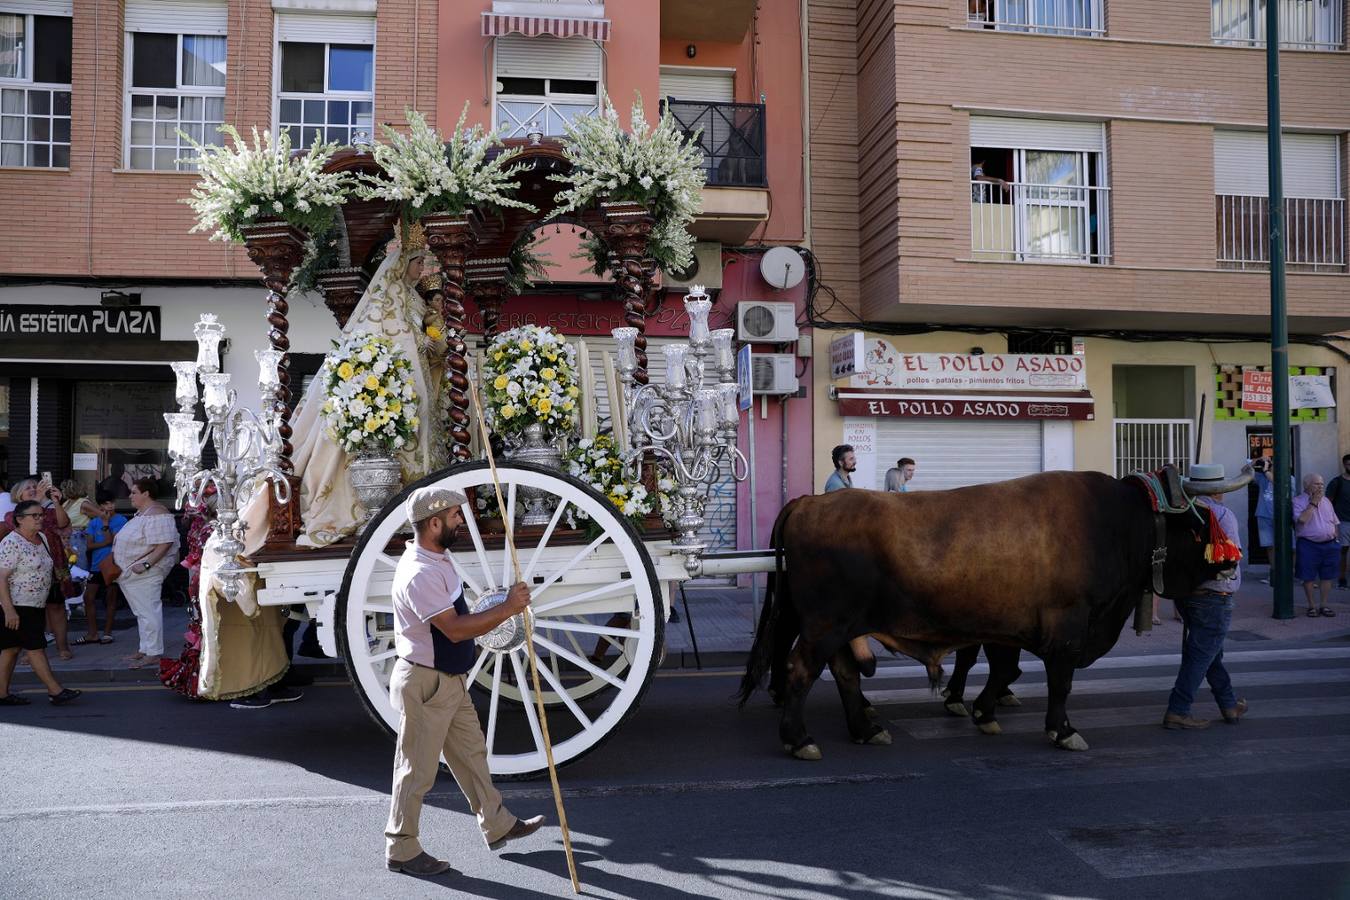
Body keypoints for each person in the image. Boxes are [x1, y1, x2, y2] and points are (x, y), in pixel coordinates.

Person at [384, 487, 544, 877]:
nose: (461, 521)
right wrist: (507, 608)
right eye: (455, 515)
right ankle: (401, 848)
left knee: (472, 755)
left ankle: (498, 823)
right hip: (427, 683)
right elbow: (454, 631)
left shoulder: (436, 557)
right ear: (433, 522)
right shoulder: (419, 572)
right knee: (416, 770)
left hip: (447, 681)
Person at [1162, 465, 1247, 730]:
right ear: (1220, 490)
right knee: (1200, 656)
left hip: (1186, 593)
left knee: (1210, 653)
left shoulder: (1178, 513)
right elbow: (1232, 558)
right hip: (1215, 595)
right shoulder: (1222, 514)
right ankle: (1178, 710)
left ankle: (1228, 704)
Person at [0, 500, 81, 706]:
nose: (40, 519)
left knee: (11, 648)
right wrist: (9, 610)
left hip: (36, 604)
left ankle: (1, 694)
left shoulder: (42, 538)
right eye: (34, 516)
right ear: (20, 520)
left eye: (41, 515)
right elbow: (1, 578)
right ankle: (55, 690)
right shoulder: (11, 542)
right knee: (35, 646)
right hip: (18, 605)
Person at [1, 475, 73, 660]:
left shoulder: (47, 511)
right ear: (18, 495)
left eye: (35, 486)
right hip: (27, 571)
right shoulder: (12, 516)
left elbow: (63, 523)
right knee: (33, 611)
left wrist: (55, 502)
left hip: (54, 562)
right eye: (28, 488)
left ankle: (62, 647)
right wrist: (36, 503)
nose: (34, 489)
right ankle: (31, 649)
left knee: (57, 606)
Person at [112, 477, 179, 669]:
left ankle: (154, 652)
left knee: (148, 612)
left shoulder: (157, 513)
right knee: (142, 612)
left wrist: (147, 565)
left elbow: (165, 543)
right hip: (133, 573)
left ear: (146, 494)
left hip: (145, 573)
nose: (130, 496)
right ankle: (145, 649)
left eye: (134, 492)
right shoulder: (143, 513)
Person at [77, 493, 126, 646]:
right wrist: (105, 540)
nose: (109, 506)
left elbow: (114, 540)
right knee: (88, 597)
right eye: (106, 504)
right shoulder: (94, 522)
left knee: (111, 598)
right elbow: (90, 545)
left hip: (112, 563)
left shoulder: (121, 520)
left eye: (111, 503)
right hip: (96, 565)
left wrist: (106, 526)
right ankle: (92, 633)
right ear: (100, 506)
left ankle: (107, 633)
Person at [1293, 473, 1339, 617]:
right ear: (1307, 485)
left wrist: (1335, 538)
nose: (1320, 487)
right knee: (1308, 577)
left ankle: (1324, 605)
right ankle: (1312, 606)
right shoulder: (1298, 501)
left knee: (1327, 576)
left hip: (1330, 544)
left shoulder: (1326, 501)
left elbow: (1334, 521)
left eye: (1321, 484)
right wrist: (1313, 503)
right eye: (1316, 484)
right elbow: (1301, 520)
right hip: (1309, 544)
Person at [1327, 454, 1350, 588]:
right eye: (1348, 464)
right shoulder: (1337, 482)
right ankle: (1341, 578)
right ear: (1344, 465)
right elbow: (1328, 502)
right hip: (1343, 521)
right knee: (1343, 551)